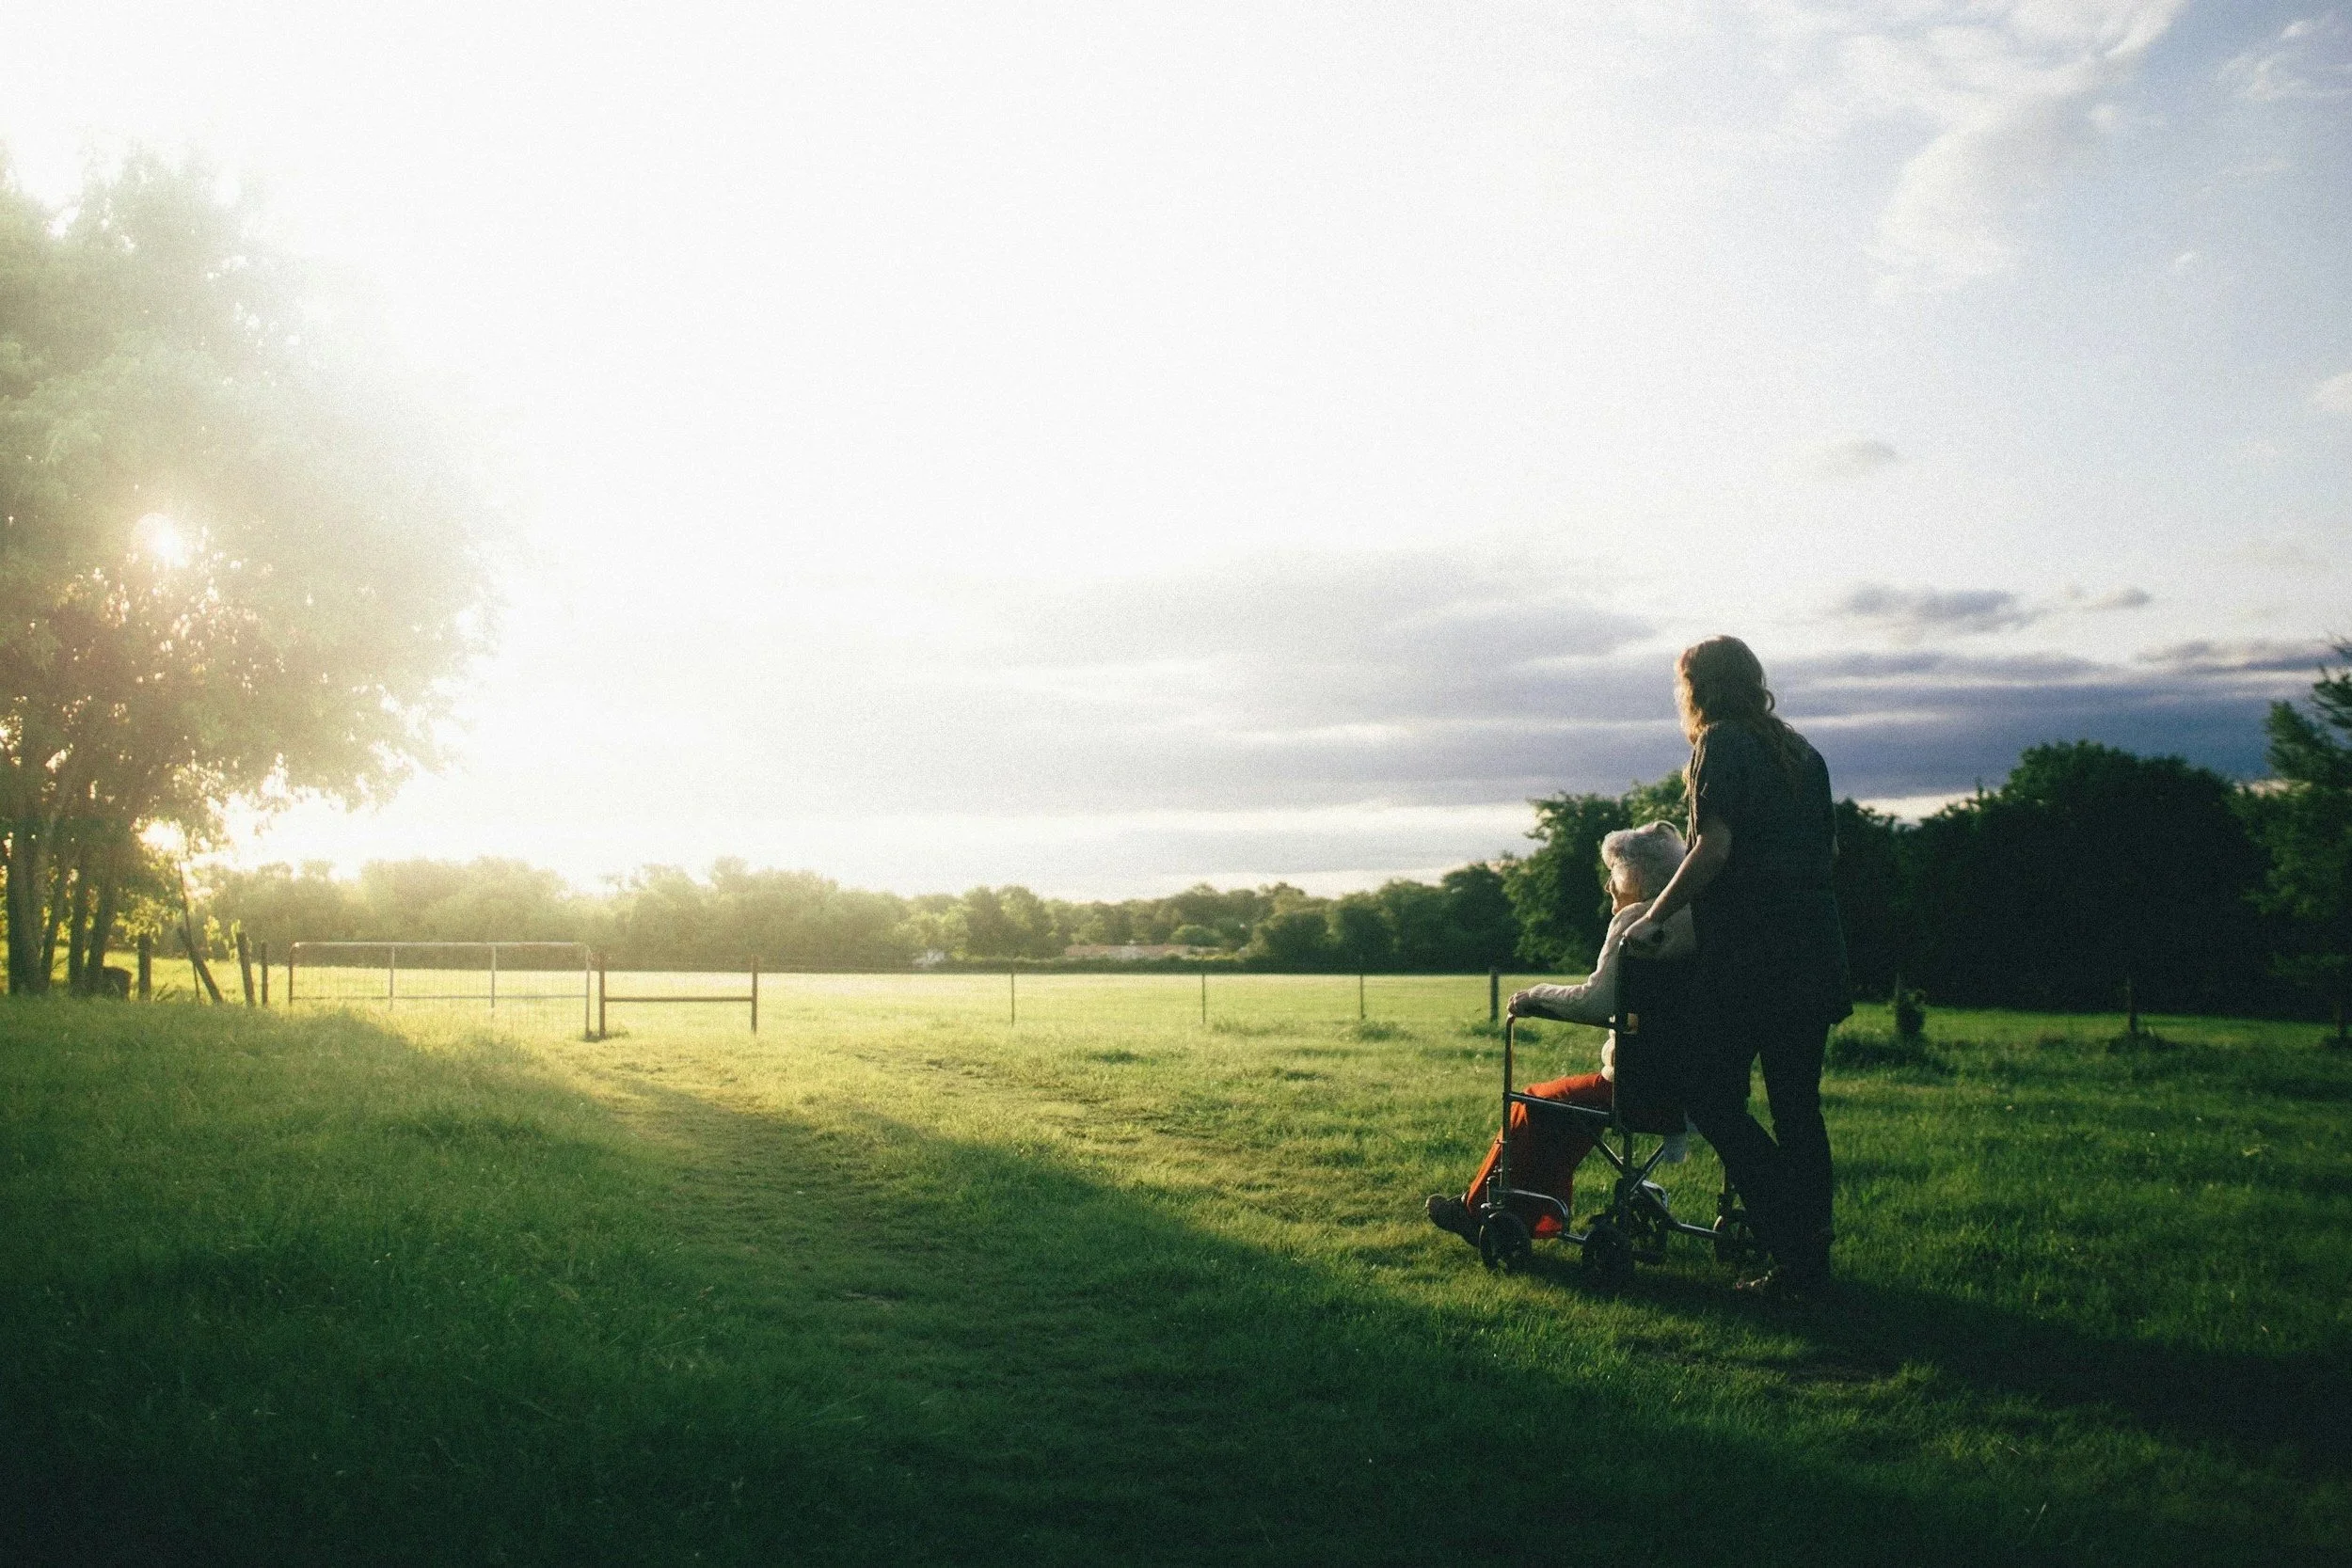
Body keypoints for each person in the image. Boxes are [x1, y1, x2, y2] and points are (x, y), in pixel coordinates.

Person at [1624, 635, 1850, 1294]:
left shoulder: (1718, 744)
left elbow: (1714, 848)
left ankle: (1792, 1236)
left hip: (1754, 958)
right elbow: (1827, 850)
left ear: (1696, 687)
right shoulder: (1804, 754)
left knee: (1712, 1097)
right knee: (1797, 1107)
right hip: (1814, 950)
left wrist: (1654, 914)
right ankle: (1809, 1254)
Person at [1424, 821, 1696, 1246]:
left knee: (1533, 1101)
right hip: (1694, 1086)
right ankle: (1536, 1217)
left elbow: (1594, 1002)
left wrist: (1535, 996)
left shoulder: (1636, 921)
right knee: (1565, 1109)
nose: (1609, 885)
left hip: (1637, 1086)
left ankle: (1477, 1209)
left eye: (1615, 873)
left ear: (1638, 877)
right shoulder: (1695, 920)